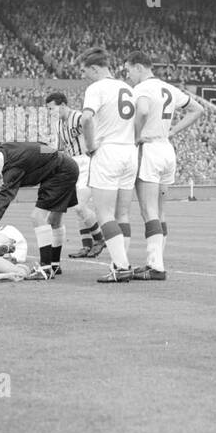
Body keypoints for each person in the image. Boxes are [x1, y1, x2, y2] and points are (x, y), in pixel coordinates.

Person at [126, 51, 201, 280]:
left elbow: (144, 111)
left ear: (139, 67)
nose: (128, 75)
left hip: (149, 150)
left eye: (129, 70)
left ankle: (156, 266)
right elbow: (197, 109)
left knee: (148, 210)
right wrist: (174, 131)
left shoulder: (142, 89)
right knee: (160, 210)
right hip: (167, 149)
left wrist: (136, 136)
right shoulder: (168, 88)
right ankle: (154, 260)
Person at [0, 140, 80, 279]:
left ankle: (46, 269)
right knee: (54, 220)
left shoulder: (13, 167)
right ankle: (54, 265)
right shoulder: (5, 149)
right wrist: (54, 151)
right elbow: (38, 145)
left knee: (37, 217)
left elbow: (4, 198)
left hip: (60, 172)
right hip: (65, 167)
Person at [78, 48, 137, 283]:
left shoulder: (96, 88)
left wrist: (91, 146)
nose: (84, 76)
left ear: (95, 68)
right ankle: (121, 263)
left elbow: (86, 118)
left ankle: (121, 267)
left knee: (104, 213)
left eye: (85, 71)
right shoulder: (127, 88)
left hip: (108, 151)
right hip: (129, 151)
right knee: (123, 213)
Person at [44, 91, 105, 259]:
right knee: (77, 208)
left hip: (87, 162)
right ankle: (87, 246)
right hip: (73, 165)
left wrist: (94, 148)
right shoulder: (58, 125)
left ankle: (100, 239)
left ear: (63, 105)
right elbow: (58, 148)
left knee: (79, 206)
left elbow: (95, 128)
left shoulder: (78, 117)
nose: (51, 112)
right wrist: (37, 149)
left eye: (52, 108)